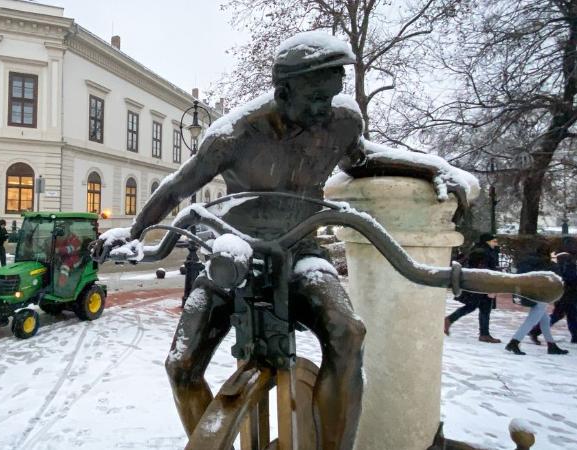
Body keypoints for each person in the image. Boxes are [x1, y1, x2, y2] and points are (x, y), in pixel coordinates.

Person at [94, 31, 469, 450]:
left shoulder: (342, 120)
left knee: (348, 334)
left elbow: (363, 160)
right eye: (314, 99)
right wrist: (134, 232)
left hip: (303, 253)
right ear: (283, 90)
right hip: (235, 254)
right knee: (181, 364)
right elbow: (177, 188)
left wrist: (428, 167)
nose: (323, 109)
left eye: (330, 96)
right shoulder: (234, 134)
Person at [505, 242, 569, 355]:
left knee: (545, 320)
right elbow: (558, 278)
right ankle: (514, 342)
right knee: (531, 320)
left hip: (526, 292)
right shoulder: (547, 264)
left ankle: (551, 345)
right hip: (541, 294)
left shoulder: (527, 261)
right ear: (549, 253)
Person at [444, 233, 502, 343]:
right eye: (494, 241)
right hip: (480, 284)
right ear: (487, 241)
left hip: (484, 284)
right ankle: (448, 320)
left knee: (484, 308)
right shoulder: (482, 252)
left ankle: (484, 334)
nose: (496, 243)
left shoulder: (488, 251)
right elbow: (482, 269)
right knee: (473, 306)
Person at [529, 237, 577, 344]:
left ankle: (575, 336)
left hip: (566, 290)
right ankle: (535, 331)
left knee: (571, 313)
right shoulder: (566, 258)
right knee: (560, 314)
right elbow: (569, 275)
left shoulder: (561, 257)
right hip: (566, 290)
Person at [54, 222, 82, 287]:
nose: (62, 229)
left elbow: (71, 248)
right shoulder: (61, 237)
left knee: (64, 267)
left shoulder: (74, 238)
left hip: (73, 260)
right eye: (61, 227)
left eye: (64, 227)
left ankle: (61, 286)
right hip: (63, 258)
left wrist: (58, 250)